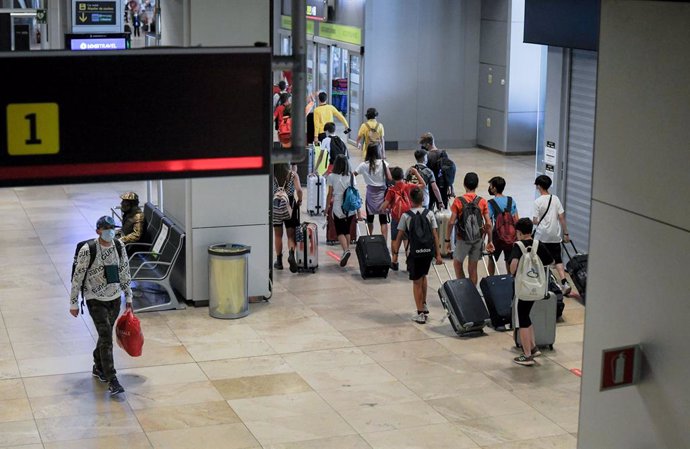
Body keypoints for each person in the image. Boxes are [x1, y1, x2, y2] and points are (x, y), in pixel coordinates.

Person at [69, 216, 132, 397]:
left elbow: (125, 271)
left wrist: (128, 296)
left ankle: (98, 366)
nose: (110, 231)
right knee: (106, 338)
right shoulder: (88, 250)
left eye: (112, 228)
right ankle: (112, 380)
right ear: (98, 230)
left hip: (114, 297)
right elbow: (78, 277)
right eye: (106, 228)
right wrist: (73, 302)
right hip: (94, 298)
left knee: (105, 335)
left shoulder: (119, 246)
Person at [392, 187, 442, 324]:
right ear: (423, 199)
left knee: (416, 281)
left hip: (415, 253)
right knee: (423, 276)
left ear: (410, 200)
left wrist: (395, 253)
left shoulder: (406, 216)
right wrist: (438, 255)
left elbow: (399, 235)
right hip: (428, 252)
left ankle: (420, 312)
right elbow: (435, 235)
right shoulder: (429, 214)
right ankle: (424, 304)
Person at [509, 218, 555, 366]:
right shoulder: (537, 244)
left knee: (522, 317)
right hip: (536, 287)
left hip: (524, 288)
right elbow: (550, 261)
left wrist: (513, 272)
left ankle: (527, 355)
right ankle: (533, 348)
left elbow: (513, 264)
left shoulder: (518, 246)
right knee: (526, 315)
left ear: (519, 232)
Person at [446, 172, 494, 284]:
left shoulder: (458, 201)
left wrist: (447, 240)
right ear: (477, 185)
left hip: (462, 239)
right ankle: (473, 292)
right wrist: (489, 241)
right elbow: (488, 223)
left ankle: (464, 288)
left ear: (464, 184)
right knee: (473, 268)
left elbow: (451, 222)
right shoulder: (482, 201)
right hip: (477, 239)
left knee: (457, 264)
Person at [533, 175, 573, 295]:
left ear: (539, 186)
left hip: (541, 236)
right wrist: (565, 233)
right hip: (555, 235)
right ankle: (564, 283)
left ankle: (547, 282)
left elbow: (535, 220)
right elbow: (561, 217)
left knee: (540, 260)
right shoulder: (555, 199)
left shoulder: (537, 201)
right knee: (558, 259)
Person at [381, 166, 426, 271]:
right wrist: (415, 172)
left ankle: (395, 261)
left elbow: (385, 205)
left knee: (394, 240)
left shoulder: (391, 190)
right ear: (403, 176)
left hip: (396, 218)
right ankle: (409, 262)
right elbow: (423, 185)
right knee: (407, 240)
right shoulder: (409, 186)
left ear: (392, 177)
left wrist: (384, 209)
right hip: (408, 217)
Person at [353, 144, 392, 240]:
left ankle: (370, 239)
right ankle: (384, 241)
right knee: (383, 220)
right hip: (383, 195)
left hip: (370, 194)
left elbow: (353, 174)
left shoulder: (363, 165)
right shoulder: (383, 163)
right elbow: (390, 178)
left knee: (370, 220)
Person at [326, 154, 359, 267]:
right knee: (347, 230)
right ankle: (347, 249)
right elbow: (356, 193)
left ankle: (346, 251)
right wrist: (358, 211)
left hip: (338, 206)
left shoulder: (331, 176)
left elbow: (330, 194)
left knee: (339, 231)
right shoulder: (351, 176)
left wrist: (326, 209)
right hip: (350, 207)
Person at [273, 163, 302, 272]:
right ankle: (291, 254)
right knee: (290, 235)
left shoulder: (272, 175)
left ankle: (279, 261)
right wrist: (300, 200)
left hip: (275, 205)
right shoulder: (293, 175)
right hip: (290, 206)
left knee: (278, 235)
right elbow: (299, 190)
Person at [486, 176, 519, 275]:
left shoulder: (491, 203)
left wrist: (489, 240)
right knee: (509, 259)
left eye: (491, 186)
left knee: (492, 259)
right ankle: (510, 280)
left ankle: (491, 280)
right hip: (511, 236)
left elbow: (489, 223)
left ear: (494, 188)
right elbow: (517, 220)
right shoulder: (510, 200)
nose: (490, 188)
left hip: (497, 236)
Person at [420, 132, 455, 209]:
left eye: (423, 144)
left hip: (430, 187)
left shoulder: (426, 156)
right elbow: (448, 173)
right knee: (443, 211)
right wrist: (451, 187)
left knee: (429, 211)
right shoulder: (443, 153)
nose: (422, 147)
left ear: (428, 144)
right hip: (442, 186)